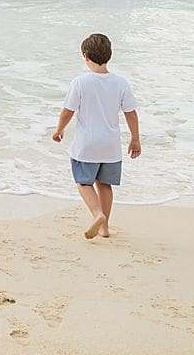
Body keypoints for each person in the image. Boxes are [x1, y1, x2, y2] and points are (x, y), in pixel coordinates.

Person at [52, 33, 141, 239]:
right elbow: (131, 113)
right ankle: (105, 227)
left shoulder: (80, 82)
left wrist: (59, 129)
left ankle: (97, 214)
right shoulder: (120, 83)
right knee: (105, 185)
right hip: (111, 146)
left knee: (84, 182)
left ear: (85, 56)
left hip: (87, 144)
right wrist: (135, 138)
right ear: (109, 55)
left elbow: (68, 111)